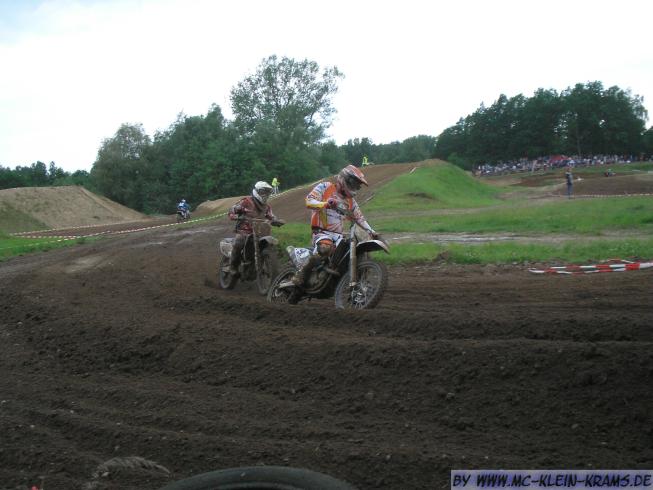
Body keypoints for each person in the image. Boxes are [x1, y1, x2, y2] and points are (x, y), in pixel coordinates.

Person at [291, 164, 378, 288]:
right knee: (325, 248)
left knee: (353, 251)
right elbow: (309, 201)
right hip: (321, 232)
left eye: (357, 185)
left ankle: (358, 283)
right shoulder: (325, 187)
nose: (355, 187)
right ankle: (301, 274)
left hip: (338, 236)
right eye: (353, 183)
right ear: (343, 179)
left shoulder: (350, 201)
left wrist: (372, 231)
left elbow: (360, 218)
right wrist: (325, 204)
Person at [227, 181, 282, 275]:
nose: (265, 195)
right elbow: (231, 211)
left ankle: (264, 263)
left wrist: (277, 221)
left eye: (267, 192)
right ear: (257, 191)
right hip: (244, 231)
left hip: (259, 232)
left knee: (267, 244)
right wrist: (236, 216)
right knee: (239, 242)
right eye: (263, 192)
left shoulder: (266, 207)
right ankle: (232, 266)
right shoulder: (246, 201)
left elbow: (271, 216)